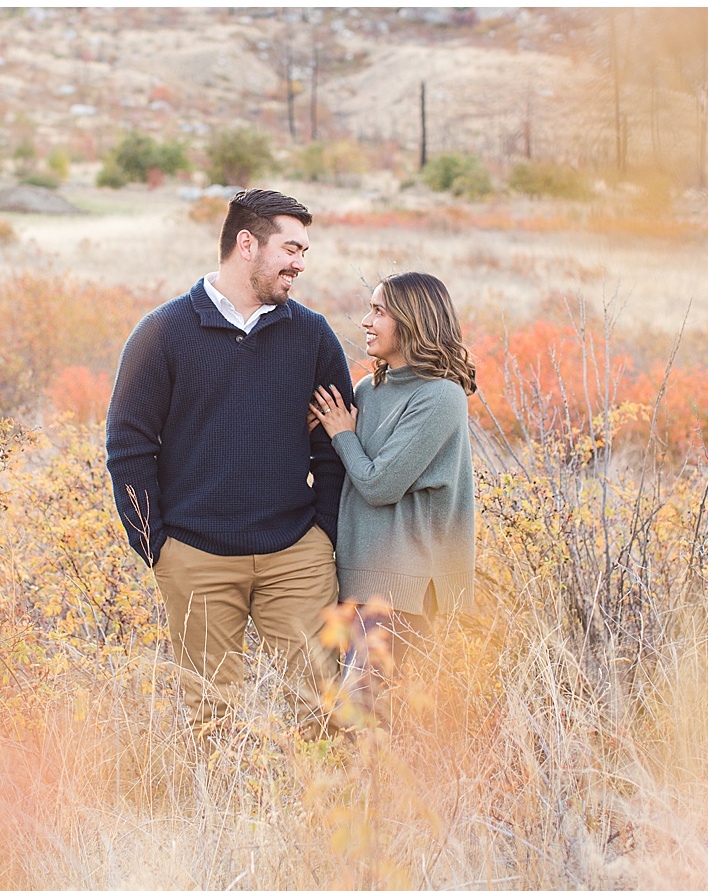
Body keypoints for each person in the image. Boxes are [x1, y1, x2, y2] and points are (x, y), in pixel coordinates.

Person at [106, 188, 354, 738]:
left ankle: (315, 818)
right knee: (211, 718)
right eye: (291, 249)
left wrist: (324, 532)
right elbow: (128, 445)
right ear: (247, 244)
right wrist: (154, 545)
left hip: (295, 554)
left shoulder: (310, 334)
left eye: (304, 251)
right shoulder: (163, 333)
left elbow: (337, 439)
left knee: (318, 706)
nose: (300, 264)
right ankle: (220, 820)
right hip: (196, 557)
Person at [308, 272, 478, 695]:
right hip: (356, 582)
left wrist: (342, 434)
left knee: (363, 721)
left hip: (402, 588)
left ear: (413, 319)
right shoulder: (369, 389)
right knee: (341, 714)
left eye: (379, 311)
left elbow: (380, 484)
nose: (366, 321)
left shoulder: (440, 396)